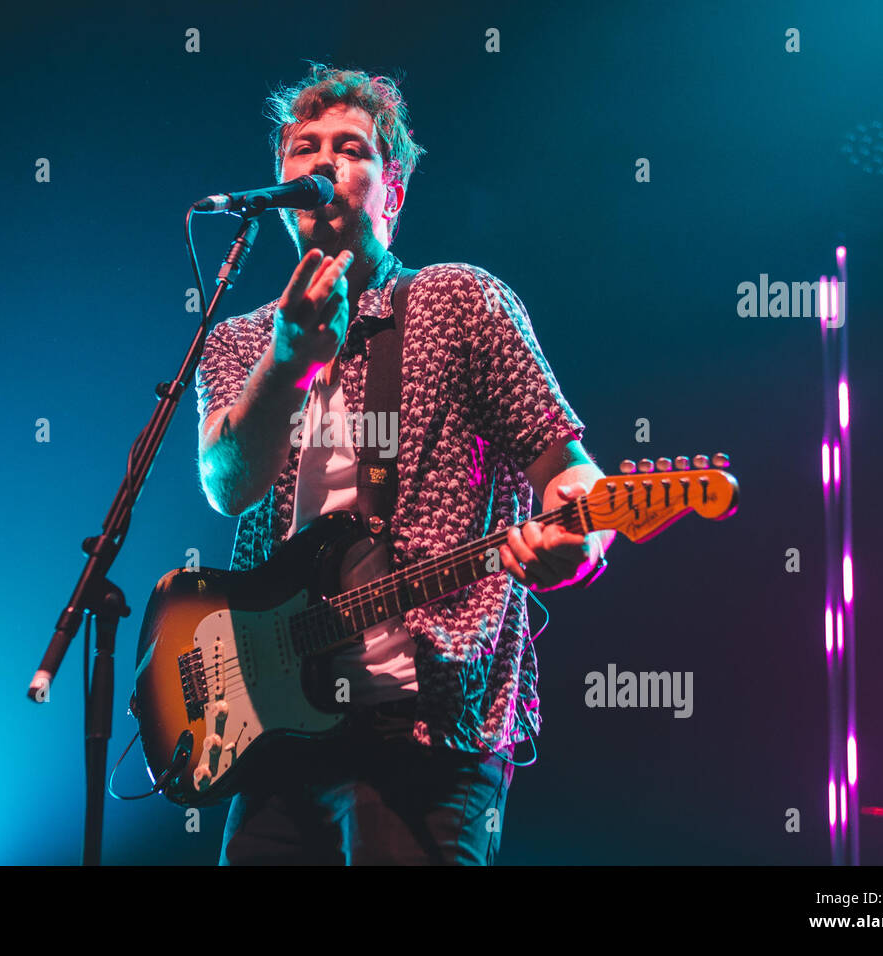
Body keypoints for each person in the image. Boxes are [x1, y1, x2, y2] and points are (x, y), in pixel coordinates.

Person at [194, 62, 613, 865]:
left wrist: (579, 539)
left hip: (423, 729)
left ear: (393, 192)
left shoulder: (460, 302)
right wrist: (286, 359)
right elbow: (227, 485)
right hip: (275, 726)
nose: (321, 163)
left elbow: (569, 472)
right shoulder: (240, 340)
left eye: (350, 149)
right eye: (303, 148)